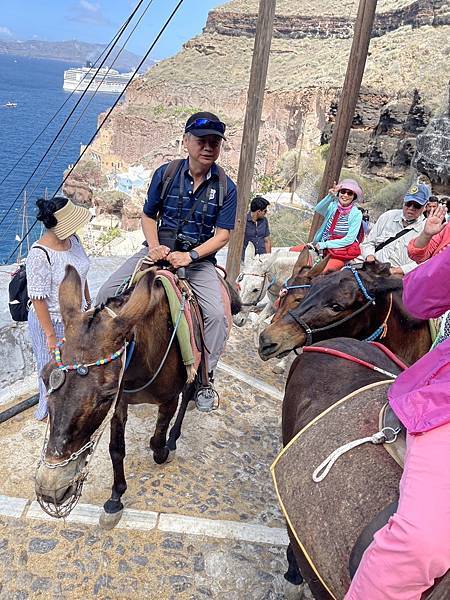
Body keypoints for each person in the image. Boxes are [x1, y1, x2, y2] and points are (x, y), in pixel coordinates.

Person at [96, 111, 237, 412]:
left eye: (215, 142)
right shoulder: (167, 174)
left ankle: (204, 377)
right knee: (105, 294)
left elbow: (223, 235)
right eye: (202, 141)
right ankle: (101, 363)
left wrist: (191, 255)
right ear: (186, 141)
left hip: (197, 261)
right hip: (157, 251)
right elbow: (149, 215)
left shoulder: (226, 186)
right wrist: (156, 246)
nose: (208, 147)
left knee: (216, 317)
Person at [346, 245, 450, 600]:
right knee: (421, 543)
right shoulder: (383, 217)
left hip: (402, 269)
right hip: (380, 263)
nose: (343, 200)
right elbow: (418, 289)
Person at [27, 197, 91, 421]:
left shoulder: (74, 240)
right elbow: (38, 299)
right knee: (50, 369)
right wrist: (50, 335)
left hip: (76, 317)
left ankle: (69, 407)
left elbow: (82, 274)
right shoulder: (39, 254)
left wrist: (88, 302)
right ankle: (49, 411)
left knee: (74, 366)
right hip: (52, 320)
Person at [360, 183, 430, 275]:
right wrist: (369, 256)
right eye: (408, 203)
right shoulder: (387, 216)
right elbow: (368, 243)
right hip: (374, 267)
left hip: (399, 275)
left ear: (425, 207)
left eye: (417, 205)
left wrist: (396, 271)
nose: (411, 208)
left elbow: (425, 262)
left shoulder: (427, 230)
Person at [311, 179, 364, 271]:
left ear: (354, 197)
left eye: (350, 193)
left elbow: (349, 239)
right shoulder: (333, 206)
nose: (345, 195)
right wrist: (330, 196)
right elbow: (318, 209)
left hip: (339, 251)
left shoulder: (356, 214)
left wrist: (325, 244)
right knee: (292, 253)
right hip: (321, 245)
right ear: (339, 193)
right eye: (343, 192)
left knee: (321, 272)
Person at [242, 196, 271, 261]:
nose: (265, 213)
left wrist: (268, 258)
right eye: (265, 211)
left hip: (262, 259)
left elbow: (267, 240)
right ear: (258, 211)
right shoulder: (243, 221)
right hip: (247, 259)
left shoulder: (264, 221)